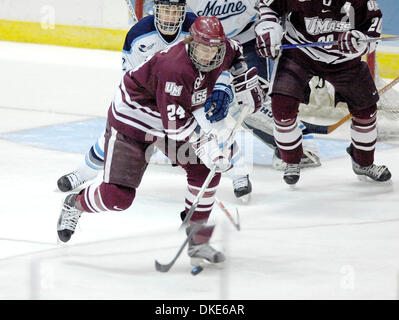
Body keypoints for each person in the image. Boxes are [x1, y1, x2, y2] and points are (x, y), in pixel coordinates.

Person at [56, 16, 264, 267]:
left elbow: (237, 52)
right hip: (134, 119)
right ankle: (75, 203)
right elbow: (176, 128)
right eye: (202, 48)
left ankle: (197, 239)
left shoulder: (223, 48)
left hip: (172, 117)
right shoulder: (175, 69)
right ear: (190, 43)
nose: (209, 54)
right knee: (117, 198)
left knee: (205, 171)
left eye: (213, 48)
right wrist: (206, 144)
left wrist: (242, 81)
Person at [56, 0, 246, 201]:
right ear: (155, 9)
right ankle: (83, 173)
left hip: (191, 97)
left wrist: (221, 87)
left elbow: (219, 57)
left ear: (183, 10)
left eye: (176, 11)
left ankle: (240, 173)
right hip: (153, 102)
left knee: (217, 127)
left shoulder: (196, 27)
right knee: (120, 135)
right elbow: (131, 76)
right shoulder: (138, 35)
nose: (171, 17)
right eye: (166, 11)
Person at [187, 0, 322, 200]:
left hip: (249, 40)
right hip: (207, 47)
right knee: (206, 99)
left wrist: (276, 32)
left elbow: (276, 9)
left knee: (250, 99)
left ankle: (294, 143)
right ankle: (184, 146)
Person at [255, 0, 391, 185]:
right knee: (282, 108)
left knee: (366, 112)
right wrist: (269, 27)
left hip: (345, 59)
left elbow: (373, 24)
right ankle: (292, 160)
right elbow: (268, 6)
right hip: (300, 53)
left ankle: (363, 162)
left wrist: (361, 41)